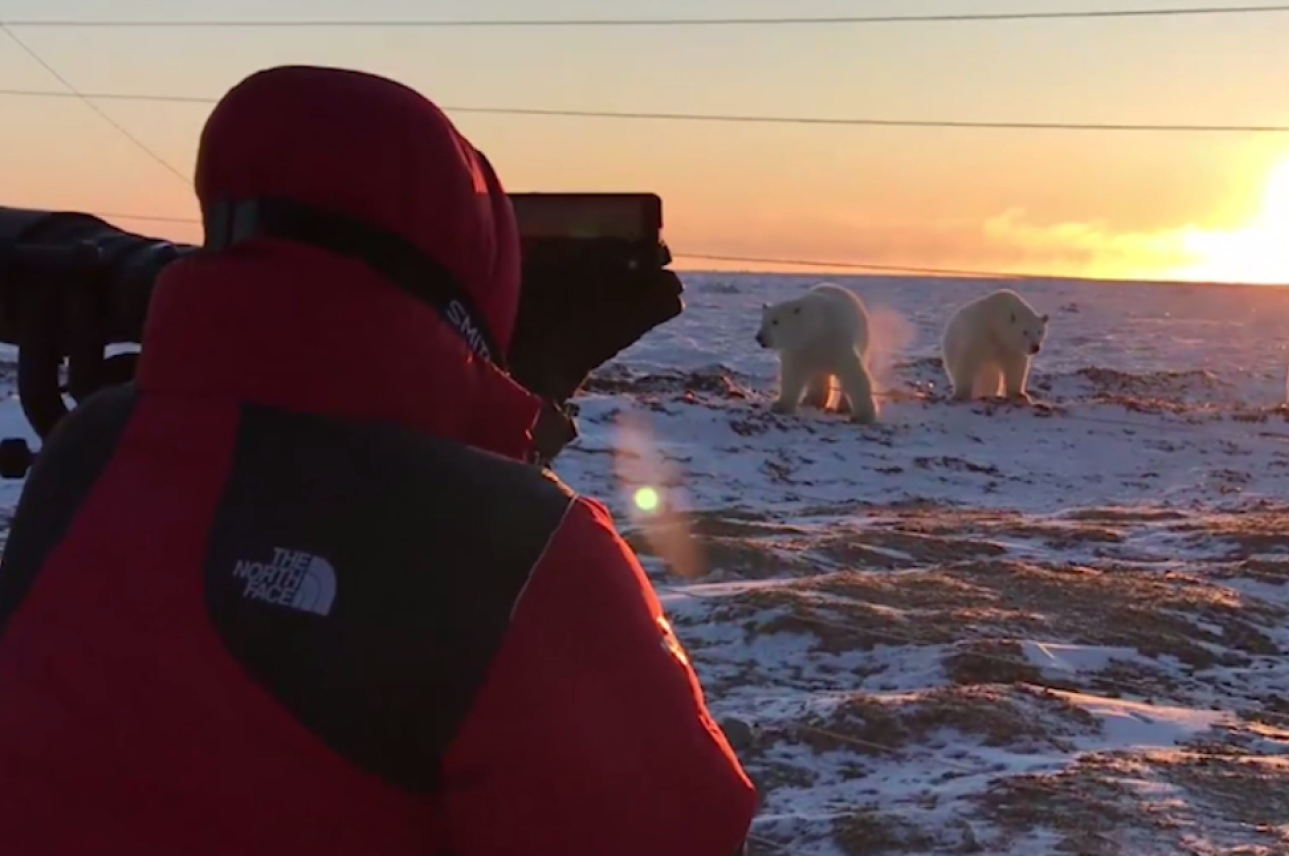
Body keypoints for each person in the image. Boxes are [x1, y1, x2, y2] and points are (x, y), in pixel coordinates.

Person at [0, 65, 757, 854]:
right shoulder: (528, 556)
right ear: (480, 264)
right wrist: (498, 414)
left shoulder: (91, 453)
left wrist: (487, 411)